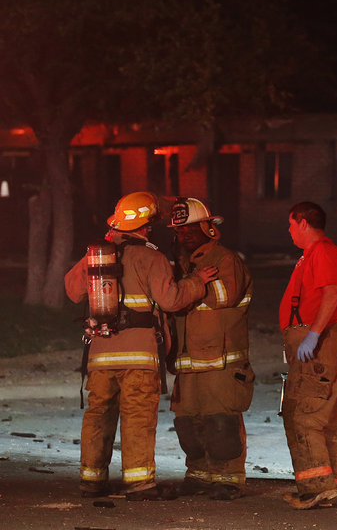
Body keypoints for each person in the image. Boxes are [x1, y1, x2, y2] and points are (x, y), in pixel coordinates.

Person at [64, 192, 217, 500]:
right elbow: (171, 300)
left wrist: (91, 257)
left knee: (98, 415)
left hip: (99, 354)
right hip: (139, 355)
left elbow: (71, 290)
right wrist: (198, 282)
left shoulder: (97, 256)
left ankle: (91, 481)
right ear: (145, 225)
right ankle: (139, 484)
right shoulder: (152, 257)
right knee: (137, 418)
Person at [168, 197, 254, 501]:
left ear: (209, 228)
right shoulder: (182, 264)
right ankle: (199, 475)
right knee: (188, 424)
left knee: (221, 423)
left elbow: (223, 296)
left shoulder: (225, 259)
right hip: (189, 364)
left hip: (221, 362)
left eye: (191, 229)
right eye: (180, 231)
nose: (184, 235)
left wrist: (189, 285)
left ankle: (230, 479)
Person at [279, 201, 337, 509]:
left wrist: (313, 334)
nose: (290, 230)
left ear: (304, 223)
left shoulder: (322, 251)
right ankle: (322, 486)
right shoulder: (313, 254)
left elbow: (333, 292)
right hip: (313, 344)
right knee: (318, 418)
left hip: (317, 346)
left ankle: (315, 486)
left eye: (292, 224)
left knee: (304, 415)